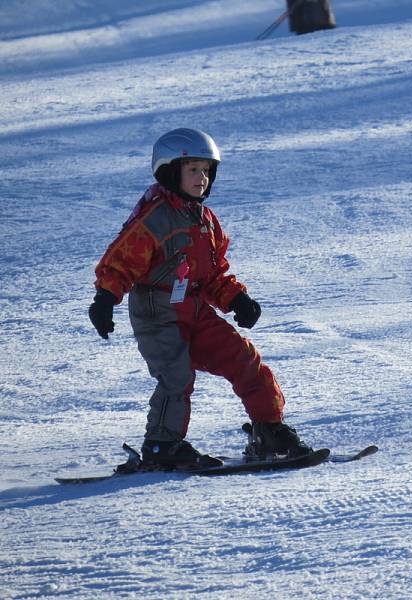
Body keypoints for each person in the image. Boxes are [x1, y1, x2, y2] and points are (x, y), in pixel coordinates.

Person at [88, 128, 311, 466]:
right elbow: (119, 263)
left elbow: (214, 273)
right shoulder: (154, 218)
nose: (201, 178)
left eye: (206, 170)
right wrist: (105, 299)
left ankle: (268, 430)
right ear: (170, 171)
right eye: (192, 169)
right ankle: (161, 445)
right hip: (157, 313)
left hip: (193, 310)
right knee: (176, 377)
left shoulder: (205, 220)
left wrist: (236, 299)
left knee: (244, 359)